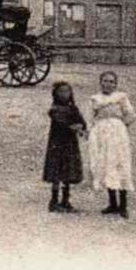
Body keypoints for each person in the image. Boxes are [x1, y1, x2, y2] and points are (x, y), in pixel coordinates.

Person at [87, 70, 136, 219]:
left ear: (116, 84)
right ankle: (112, 203)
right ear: (100, 82)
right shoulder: (95, 99)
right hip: (102, 135)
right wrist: (93, 133)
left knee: (120, 165)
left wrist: (120, 126)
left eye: (111, 82)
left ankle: (123, 205)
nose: (108, 84)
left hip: (117, 135)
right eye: (105, 81)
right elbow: (89, 118)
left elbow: (131, 114)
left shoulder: (120, 98)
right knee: (106, 164)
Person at [43, 81, 88, 213]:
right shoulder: (54, 109)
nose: (64, 94)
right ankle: (54, 200)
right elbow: (62, 123)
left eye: (67, 91)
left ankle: (65, 200)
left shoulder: (73, 108)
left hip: (70, 144)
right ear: (55, 94)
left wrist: (80, 126)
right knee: (56, 172)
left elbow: (81, 122)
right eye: (61, 91)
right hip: (57, 144)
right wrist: (74, 126)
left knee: (68, 171)